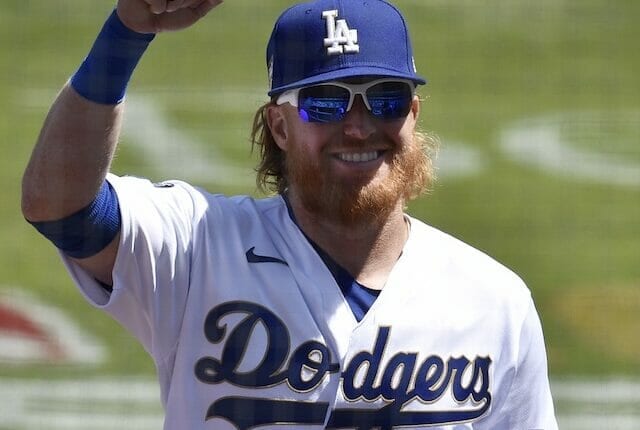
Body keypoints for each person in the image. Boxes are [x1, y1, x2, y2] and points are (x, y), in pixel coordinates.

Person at [21, 0, 558, 428]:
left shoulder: (495, 301)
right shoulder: (200, 247)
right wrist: (127, 31)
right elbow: (60, 208)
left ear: (413, 116)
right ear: (279, 127)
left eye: (386, 99)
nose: (358, 125)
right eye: (325, 102)